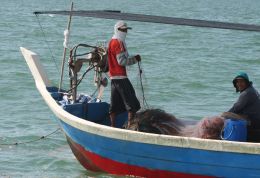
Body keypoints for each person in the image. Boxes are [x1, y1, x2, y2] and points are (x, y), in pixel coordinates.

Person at [108, 21, 141, 127]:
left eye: (126, 30)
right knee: (132, 104)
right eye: (123, 30)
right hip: (121, 77)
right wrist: (135, 59)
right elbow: (121, 61)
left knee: (114, 104)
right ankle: (130, 126)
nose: (125, 32)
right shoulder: (118, 42)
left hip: (113, 78)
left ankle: (112, 126)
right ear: (118, 30)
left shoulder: (111, 42)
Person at [227, 72, 260, 141]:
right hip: (257, 123)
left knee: (226, 115)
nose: (239, 84)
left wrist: (222, 118)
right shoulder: (253, 90)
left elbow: (235, 109)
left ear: (247, 82)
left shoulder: (246, 93)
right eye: (237, 82)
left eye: (242, 81)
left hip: (253, 125)